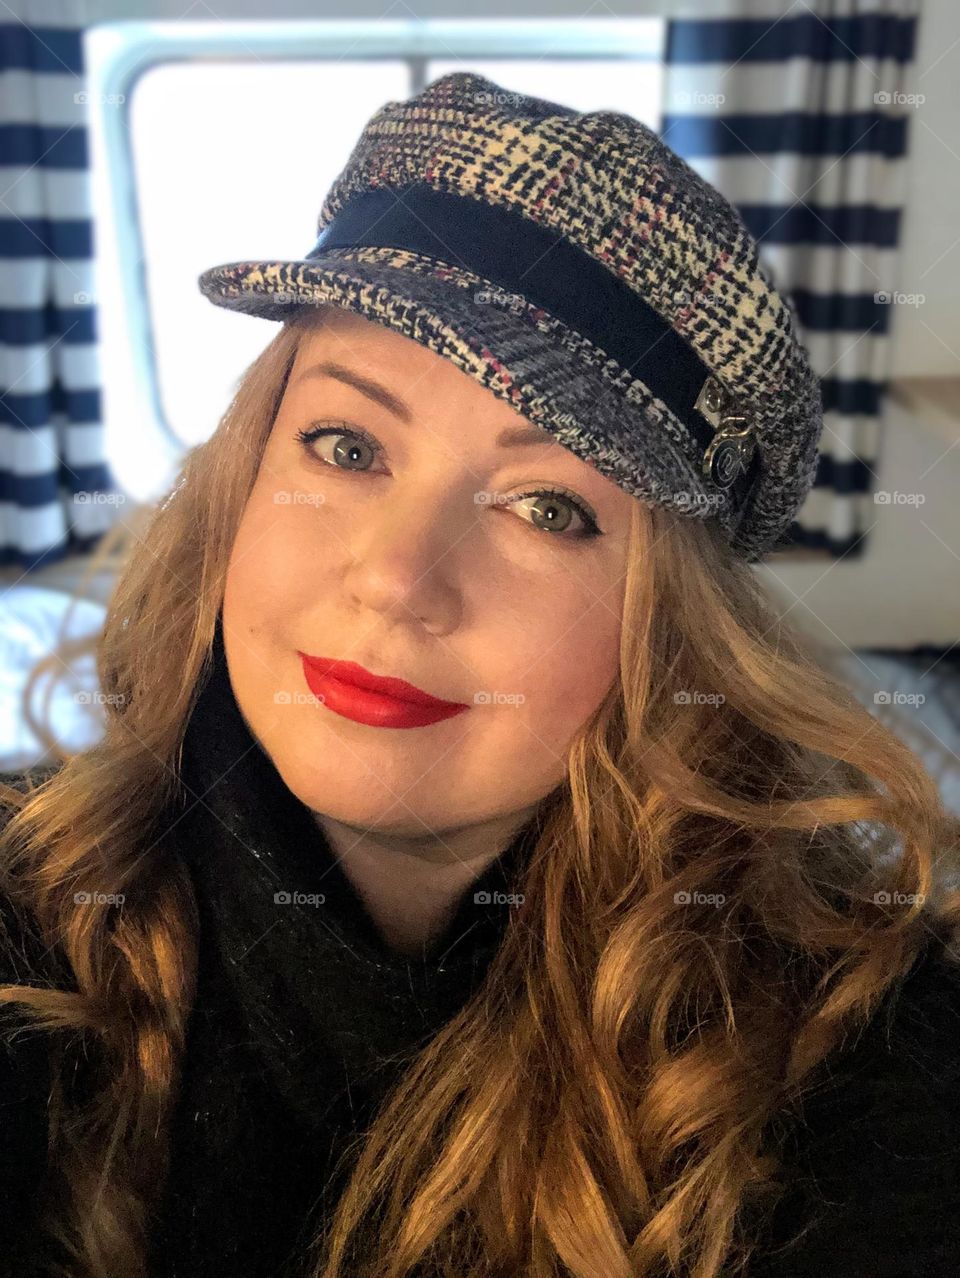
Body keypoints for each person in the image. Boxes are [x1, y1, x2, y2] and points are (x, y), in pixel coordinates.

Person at [1, 70, 959, 1278]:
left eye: (549, 507)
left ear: (669, 631)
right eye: (347, 446)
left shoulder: (839, 1038)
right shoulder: (28, 910)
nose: (397, 580)